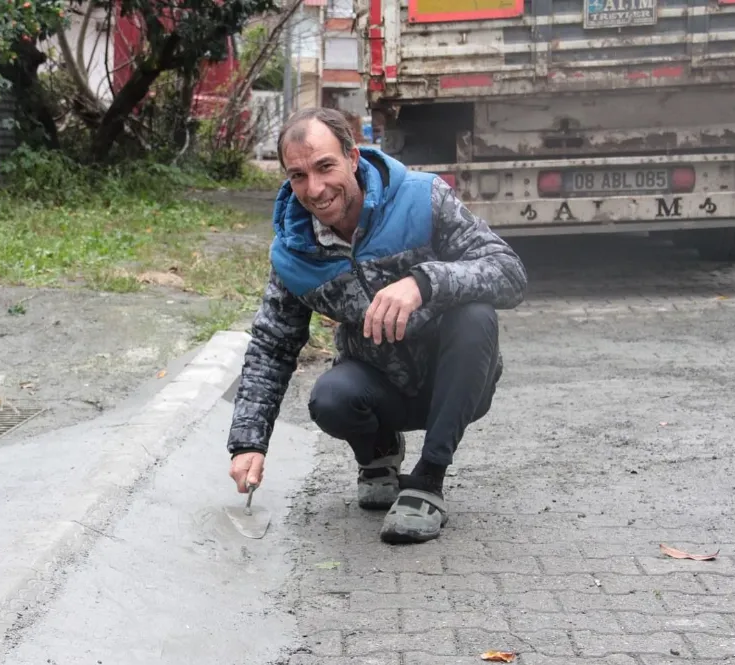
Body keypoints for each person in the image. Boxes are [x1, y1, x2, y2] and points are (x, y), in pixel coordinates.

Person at [226, 107, 527, 544]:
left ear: (352, 156)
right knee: (330, 397)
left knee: (476, 315)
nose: (315, 189)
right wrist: (248, 442)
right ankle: (379, 453)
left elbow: (509, 273)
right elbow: (272, 346)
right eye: (298, 175)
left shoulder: (423, 198)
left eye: (325, 166)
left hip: (457, 384)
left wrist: (425, 282)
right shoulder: (293, 252)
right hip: (376, 387)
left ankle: (428, 480)